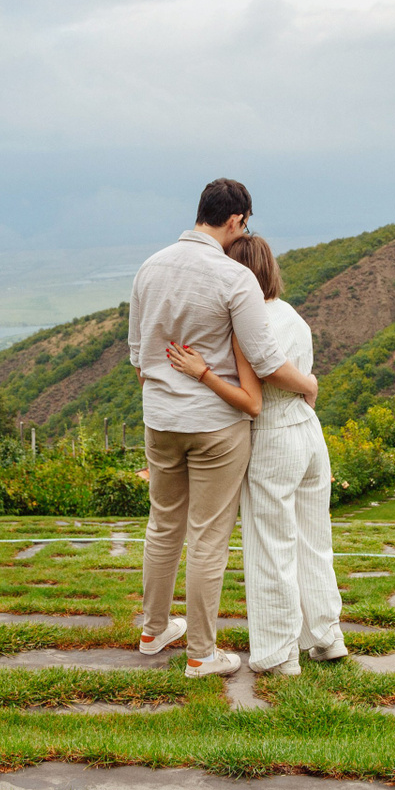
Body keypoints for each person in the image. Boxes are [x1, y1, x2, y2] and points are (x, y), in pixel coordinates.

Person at [127, 179, 319, 678]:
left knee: (162, 525)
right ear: (236, 220)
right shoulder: (235, 279)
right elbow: (265, 359)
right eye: (245, 224)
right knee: (208, 537)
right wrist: (308, 384)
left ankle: (152, 631)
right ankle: (201, 653)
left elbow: (138, 360)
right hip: (216, 425)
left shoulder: (150, 268)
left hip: (160, 420)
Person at [166, 234, 344, 675]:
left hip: (273, 435)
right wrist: (311, 386)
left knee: (271, 546)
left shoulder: (250, 321)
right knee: (314, 539)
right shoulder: (291, 314)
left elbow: (266, 374)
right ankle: (326, 636)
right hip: (308, 431)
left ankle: (279, 653)